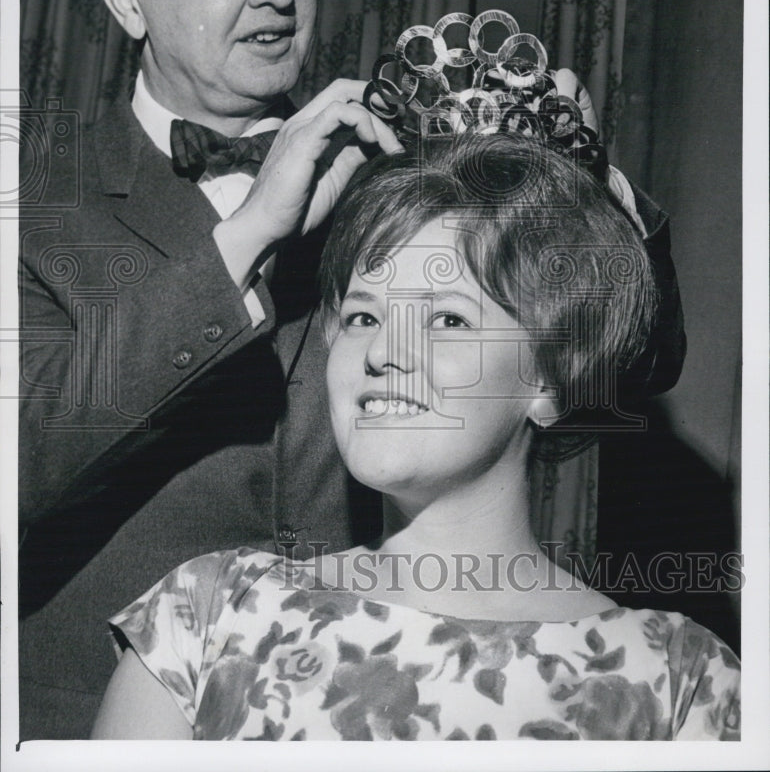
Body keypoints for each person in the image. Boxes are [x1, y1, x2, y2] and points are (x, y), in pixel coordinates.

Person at [18, 0, 682, 739]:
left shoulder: (395, 172)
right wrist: (246, 236)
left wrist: (591, 184)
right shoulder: (34, 194)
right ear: (124, 0)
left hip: (372, 698)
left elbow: (621, 366)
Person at [91, 133, 737, 741]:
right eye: (363, 314)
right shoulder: (203, 620)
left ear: (550, 379)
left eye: (448, 318)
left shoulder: (681, 687)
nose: (381, 352)